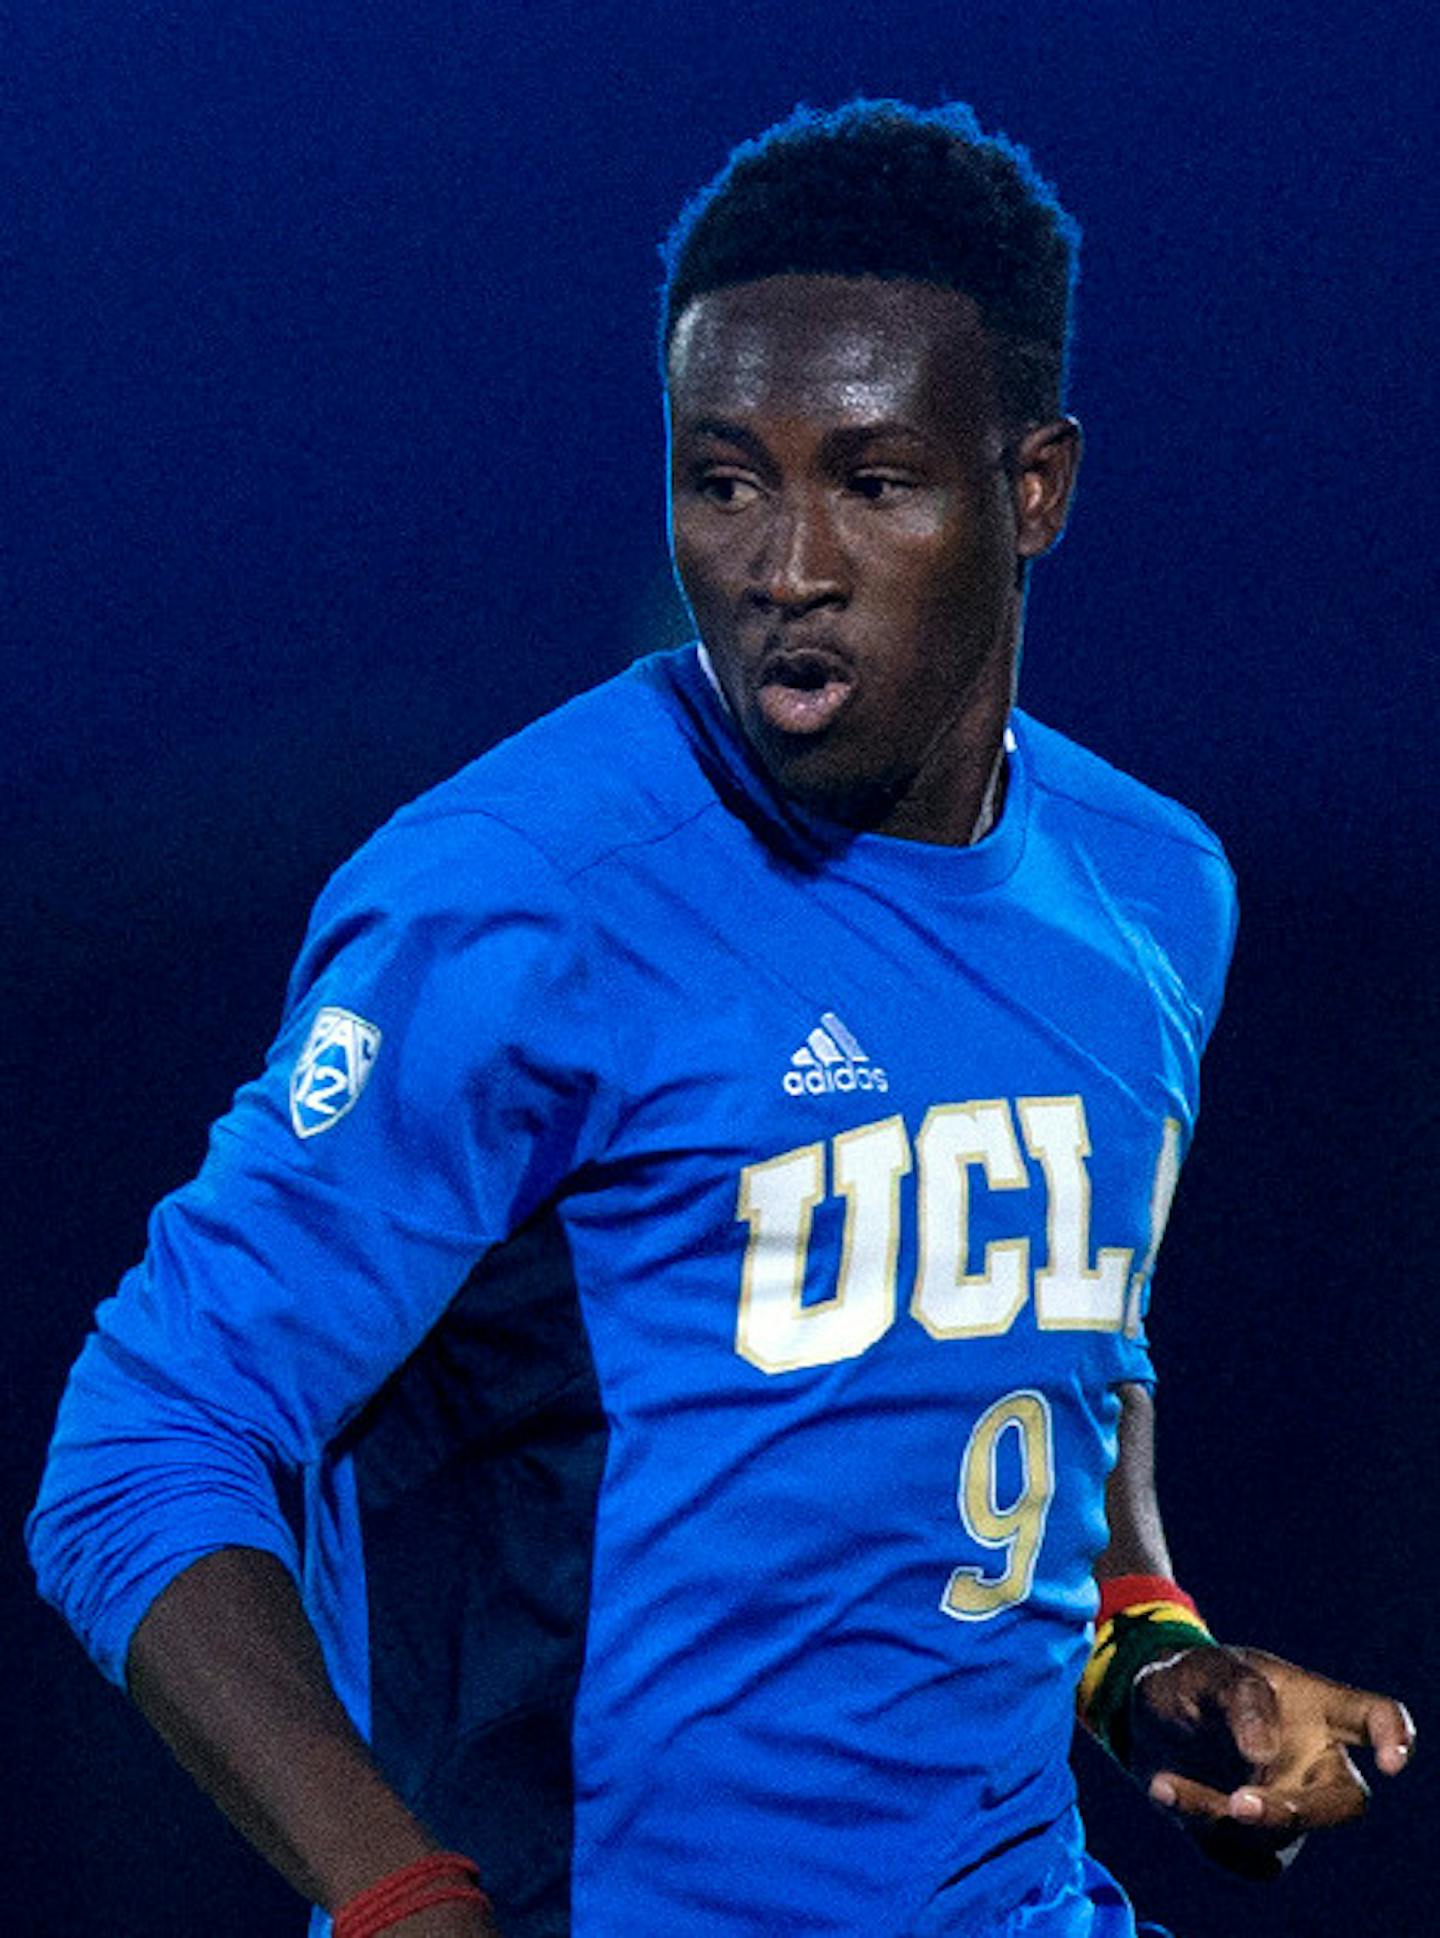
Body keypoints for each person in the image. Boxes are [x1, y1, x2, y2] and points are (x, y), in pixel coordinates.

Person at [29, 99, 1413, 1938]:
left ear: (1035, 490)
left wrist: (1152, 1652)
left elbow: (1072, 1337)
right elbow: (140, 1443)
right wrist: (400, 1903)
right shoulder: (517, 897)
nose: (786, 564)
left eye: (874, 478)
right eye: (726, 476)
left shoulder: (1155, 892)